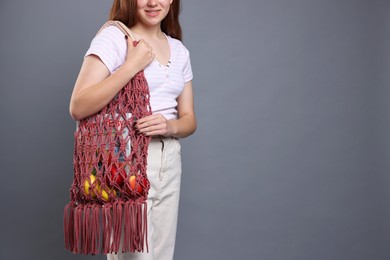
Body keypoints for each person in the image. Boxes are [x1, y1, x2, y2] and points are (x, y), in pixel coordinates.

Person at [69, 0, 196, 259]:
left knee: (162, 254)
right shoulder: (115, 38)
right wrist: (132, 65)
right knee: (134, 256)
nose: (152, 2)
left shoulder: (179, 50)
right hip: (127, 160)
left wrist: (169, 125)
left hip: (169, 159)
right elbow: (78, 105)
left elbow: (189, 120)